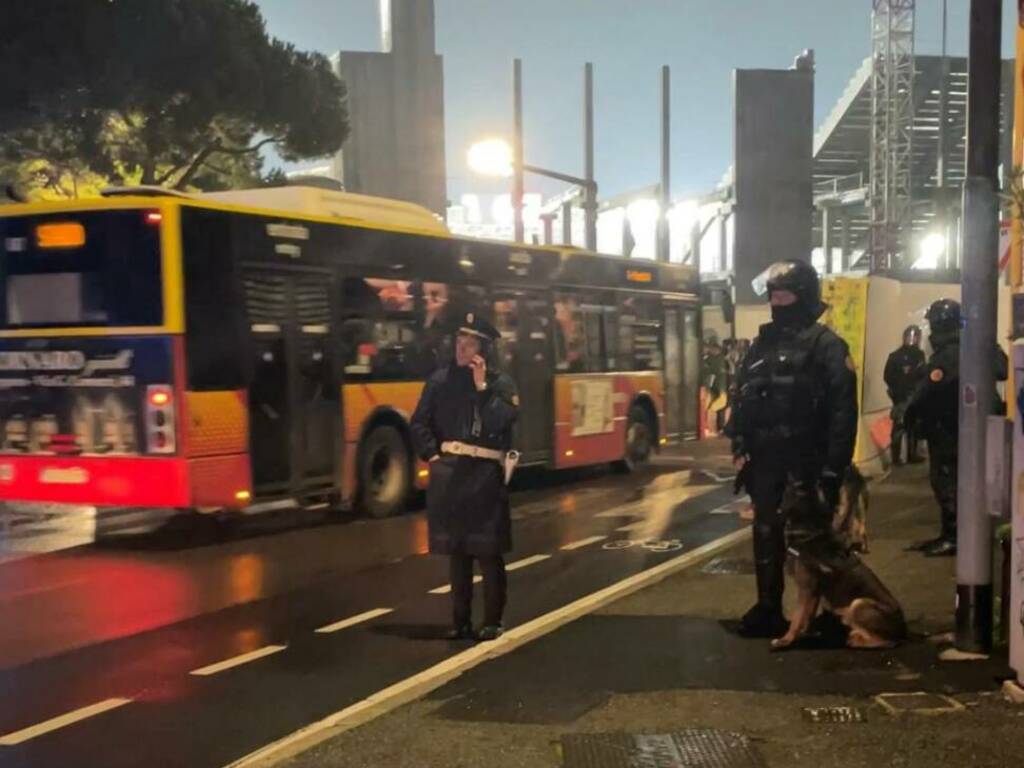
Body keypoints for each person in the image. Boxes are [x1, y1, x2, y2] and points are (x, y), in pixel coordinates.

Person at [726, 260, 859, 638]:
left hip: (808, 458)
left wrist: (834, 468)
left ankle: (827, 615)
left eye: (784, 294)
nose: (777, 301)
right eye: (773, 295)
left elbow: (842, 411)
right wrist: (739, 436)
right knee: (766, 531)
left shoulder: (827, 346)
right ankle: (768, 606)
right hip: (766, 457)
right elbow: (745, 394)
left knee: (814, 539)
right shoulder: (761, 345)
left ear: (803, 297)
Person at [410, 312, 520, 641]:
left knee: (487, 552)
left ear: (484, 348)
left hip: (485, 475)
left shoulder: (501, 383)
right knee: (457, 554)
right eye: (459, 342)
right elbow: (419, 423)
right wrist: (432, 454)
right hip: (450, 475)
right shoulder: (440, 380)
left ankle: (492, 620)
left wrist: (482, 388)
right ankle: (460, 621)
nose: (461, 348)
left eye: (469, 342)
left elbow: (499, 422)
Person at [901, 299, 1008, 557]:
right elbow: (1002, 370)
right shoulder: (978, 343)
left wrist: (905, 411)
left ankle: (954, 536)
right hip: (974, 425)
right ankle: (960, 534)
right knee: (968, 482)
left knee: (946, 481)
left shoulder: (948, 353)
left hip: (950, 427)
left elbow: (926, 390)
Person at [883, 325, 926, 465]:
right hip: (904, 396)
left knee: (908, 425)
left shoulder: (915, 355)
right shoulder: (901, 356)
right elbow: (888, 376)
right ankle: (900, 457)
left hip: (909, 396)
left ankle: (907, 455)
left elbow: (922, 374)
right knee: (902, 426)